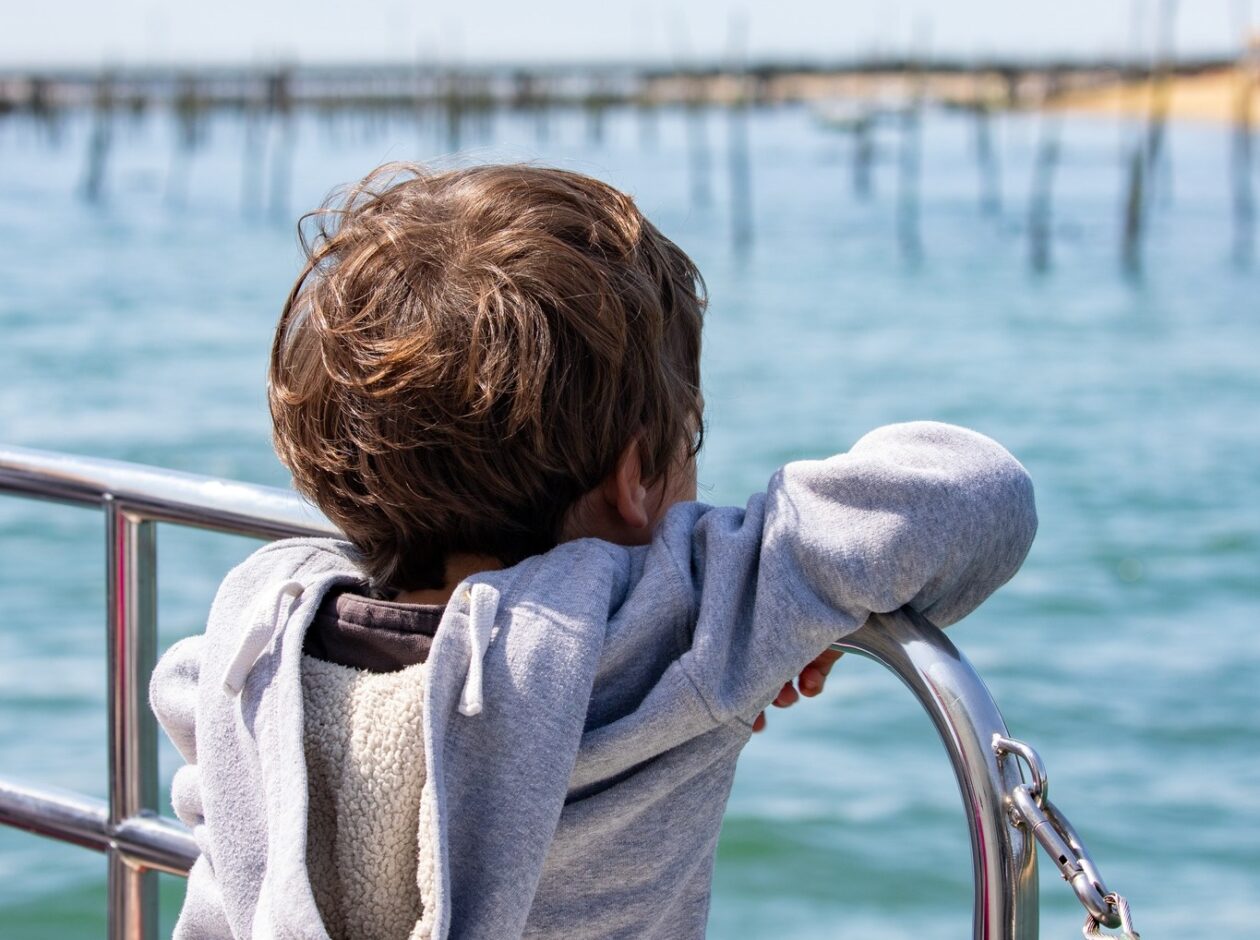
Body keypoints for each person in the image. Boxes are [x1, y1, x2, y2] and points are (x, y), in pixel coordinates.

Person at [150, 163, 1037, 940]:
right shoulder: (669, 622)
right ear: (637, 479)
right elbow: (979, 489)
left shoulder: (254, 655)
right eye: (689, 439)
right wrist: (786, 601)